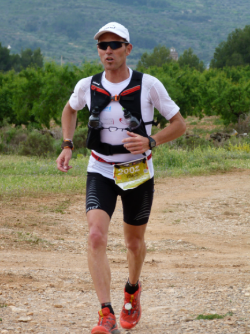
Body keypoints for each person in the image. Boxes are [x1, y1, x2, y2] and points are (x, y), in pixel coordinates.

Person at [56, 22, 186, 334]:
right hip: (100, 168)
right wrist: (67, 145)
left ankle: (132, 289)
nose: (109, 51)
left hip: (137, 172)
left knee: (133, 242)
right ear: (98, 51)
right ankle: (106, 313)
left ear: (128, 49)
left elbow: (179, 124)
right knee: (96, 236)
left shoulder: (149, 85)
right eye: (103, 46)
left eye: (115, 44)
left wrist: (151, 141)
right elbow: (69, 110)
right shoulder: (87, 85)